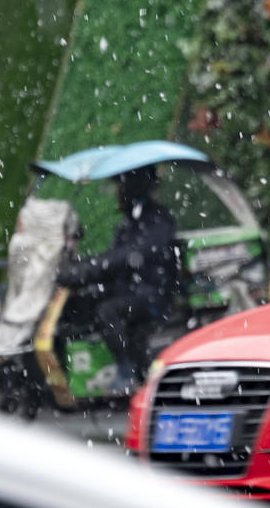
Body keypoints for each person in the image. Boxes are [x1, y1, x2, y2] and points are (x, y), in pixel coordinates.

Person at [55, 165, 179, 390]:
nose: (117, 193)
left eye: (121, 187)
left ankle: (127, 369)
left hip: (151, 294)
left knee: (108, 311)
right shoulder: (129, 221)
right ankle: (72, 368)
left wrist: (89, 270)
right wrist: (77, 268)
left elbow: (125, 258)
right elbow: (112, 257)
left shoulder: (157, 220)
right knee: (77, 305)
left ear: (133, 188)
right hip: (130, 289)